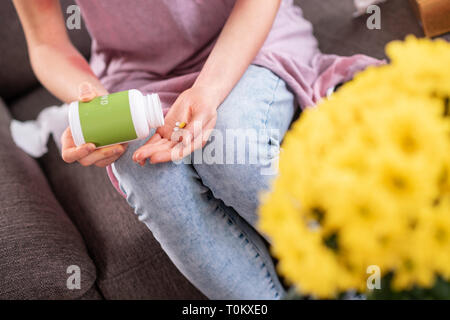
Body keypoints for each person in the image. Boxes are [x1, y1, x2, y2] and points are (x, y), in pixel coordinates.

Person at [13, 0, 379, 299]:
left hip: (249, 41)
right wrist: (97, 106)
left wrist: (209, 90)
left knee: (230, 149)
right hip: (135, 77)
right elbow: (45, 43)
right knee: (147, 173)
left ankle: (354, 287)